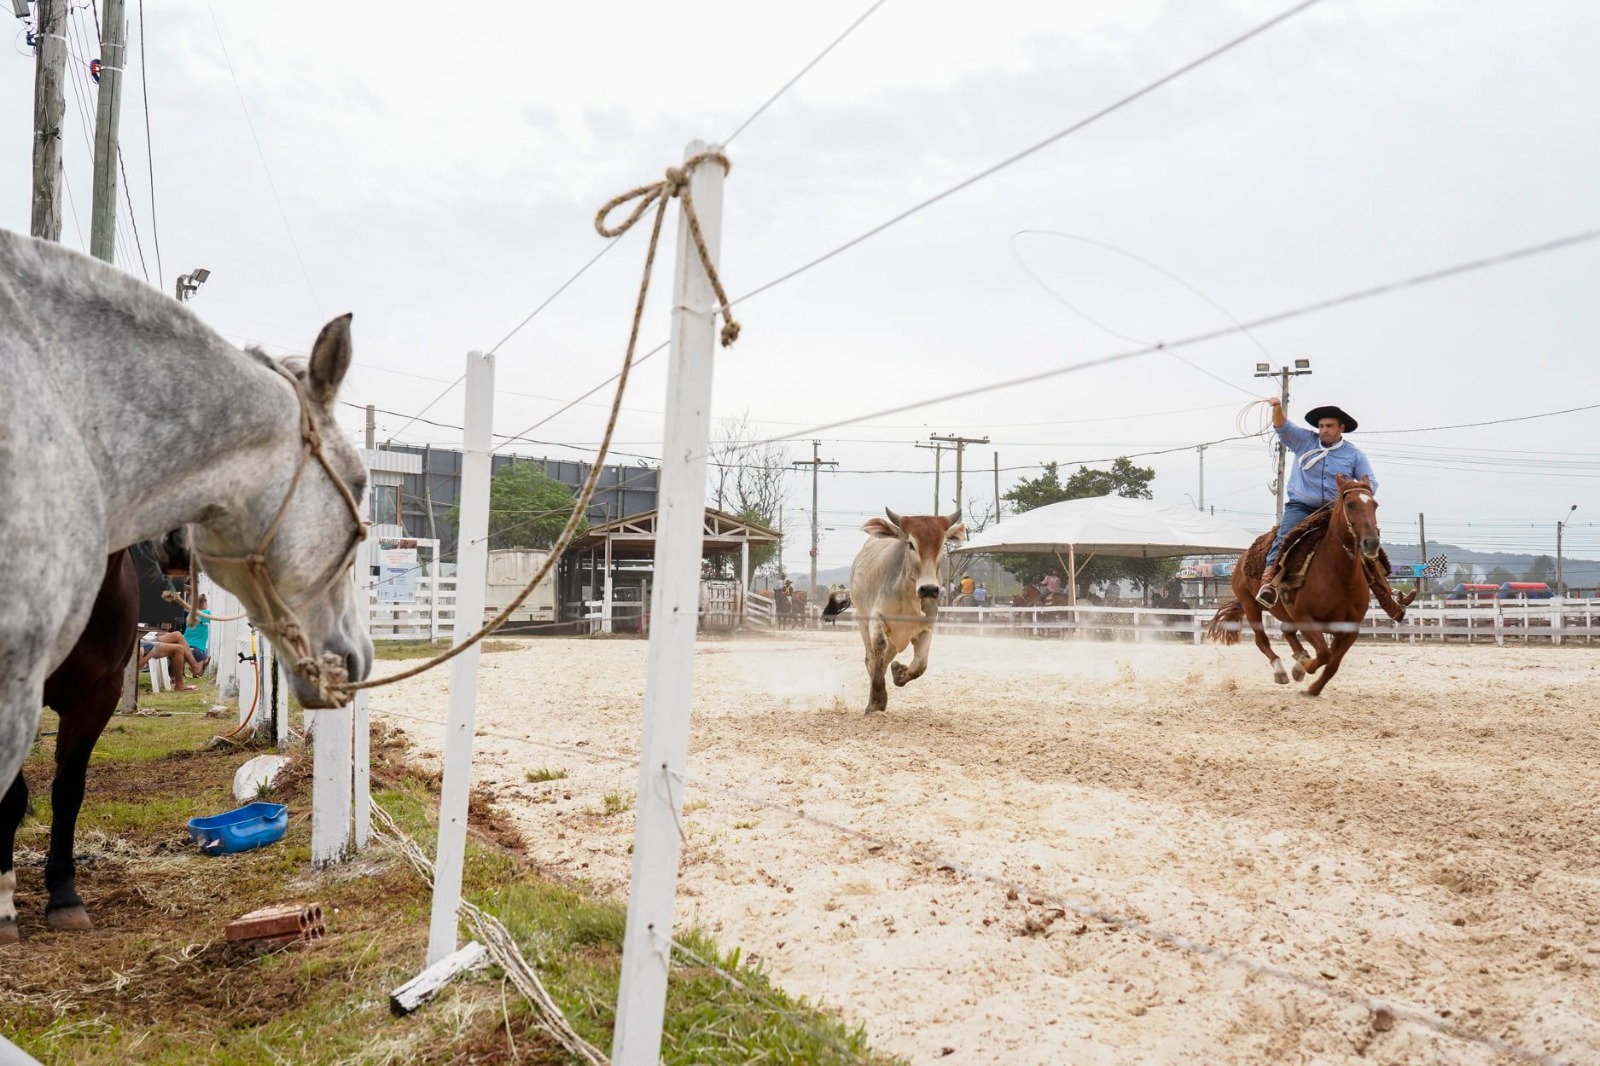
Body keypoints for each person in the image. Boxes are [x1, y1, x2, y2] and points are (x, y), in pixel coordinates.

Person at [1255, 399, 1411, 618]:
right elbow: (1282, 426)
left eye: (1329, 426)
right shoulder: (1304, 440)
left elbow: (1371, 483)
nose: (1324, 430)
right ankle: (1269, 583)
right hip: (1301, 507)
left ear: (1341, 428)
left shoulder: (1354, 455)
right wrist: (1277, 408)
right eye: (1321, 426)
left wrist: (1354, 489)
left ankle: (1388, 597)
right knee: (1284, 537)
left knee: (1365, 541)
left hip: (1334, 511)